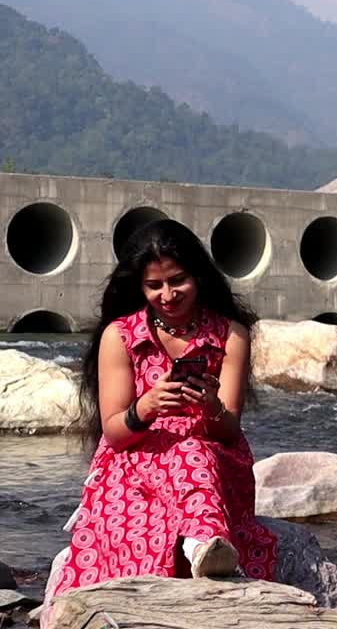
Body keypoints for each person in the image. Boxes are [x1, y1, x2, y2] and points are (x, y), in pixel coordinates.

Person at [52, 219, 277, 594]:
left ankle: (203, 545)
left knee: (192, 452)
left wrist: (210, 407)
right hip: (134, 461)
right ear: (140, 286)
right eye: (154, 285)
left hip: (211, 457)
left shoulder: (231, 334)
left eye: (178, 281)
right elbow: (114, 432)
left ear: (199, 277)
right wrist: (147, 406)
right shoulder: (120, 335)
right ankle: (200, 547)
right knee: (138, 524)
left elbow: (230, 430)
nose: (168, 295)